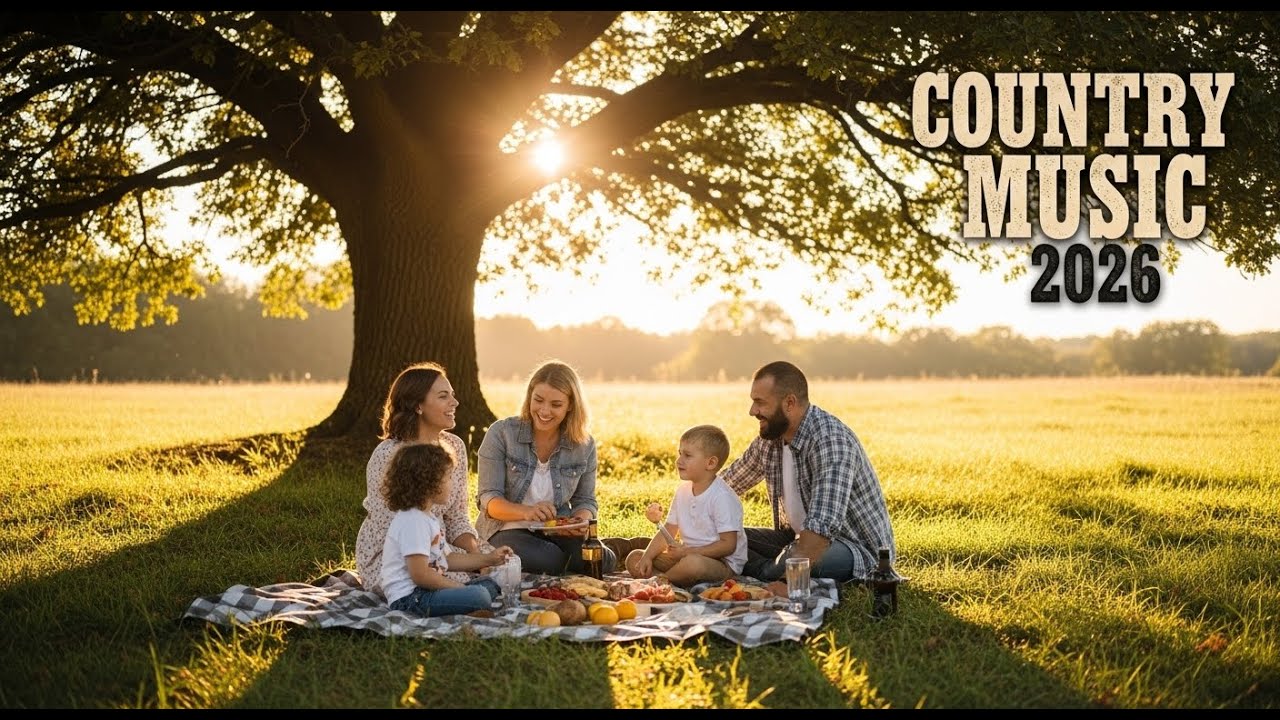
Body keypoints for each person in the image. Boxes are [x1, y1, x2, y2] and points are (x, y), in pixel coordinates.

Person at [719, 360, 896, 582]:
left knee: (787, 562)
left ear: (789, 403)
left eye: (760, 403)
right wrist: (681, 517)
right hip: (795, 539)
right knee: (724, 537)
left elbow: (821, 529)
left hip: (854, 550)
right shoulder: (772, 438)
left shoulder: (831, 441)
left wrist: (787, 582)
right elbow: (725, 485)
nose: (752, 411)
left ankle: (762, 573)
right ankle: (755, 568)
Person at [356, 362, 488, 596]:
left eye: (453, 395)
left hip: (440, 547)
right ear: (418, 405)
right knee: (463, 585)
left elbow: (457, 516)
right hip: (395, 553)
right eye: (443, 396)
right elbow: (390, 525)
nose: (454, 403)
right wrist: (445, 559)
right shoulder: (389, 454)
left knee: (501, 565)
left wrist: (478, 555)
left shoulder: (455, 446)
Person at [475, 360, 618, 576]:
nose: (544, 410)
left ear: (571, 405)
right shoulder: (502, 433)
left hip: (556, 530)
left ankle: (572, 558)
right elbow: (488, 499)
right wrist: (528, 512)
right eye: (538, 400)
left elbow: (585, 500)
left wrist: (580, 520)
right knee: (550, 560)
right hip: (506, 528)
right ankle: (557, 561)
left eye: (556, 404)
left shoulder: (584, 445)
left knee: (602, 559)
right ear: (529, 396)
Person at [380, 442, 512, 617]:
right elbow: (420, 575)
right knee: (479, 595)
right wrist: (459, 588)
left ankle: (467, 606)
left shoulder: (428, 517)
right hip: (410, 599)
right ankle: (470, 607)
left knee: (489, 584)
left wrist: (489, 559)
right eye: (449, 477)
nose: (453, 483)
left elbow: (447, 559)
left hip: (426, 592)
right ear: (429, 482)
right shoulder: (413, 521)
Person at [626, 425, 746, 588]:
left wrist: (687, 552)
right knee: (635, 558)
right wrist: (647, 556)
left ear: (710, 463)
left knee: (693, 564)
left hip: (721, 565)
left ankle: (660, 583)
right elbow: (668, 530)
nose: (679, 460)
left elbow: (728, 545)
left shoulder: (722, 497)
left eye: (687, 455)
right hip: (685, 556)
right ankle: (671, 580)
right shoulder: (682, 491)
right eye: (680, 453)